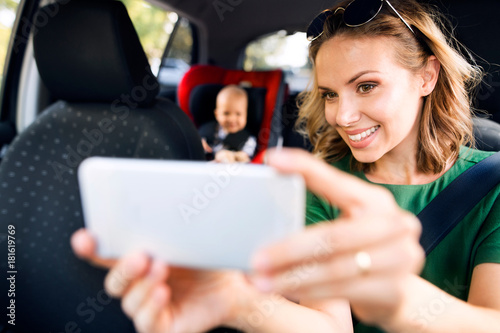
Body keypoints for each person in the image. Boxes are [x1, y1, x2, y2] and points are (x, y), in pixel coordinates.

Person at [71, 0, 500, 332]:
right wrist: (236, 301)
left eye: (367, 86)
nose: (342, 116)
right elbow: (329, 326)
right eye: (330, 94)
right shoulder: (321, 186)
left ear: (427, 76)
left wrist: (399, 301)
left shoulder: (491, 184)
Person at [199, 84, 257, 163]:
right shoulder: (206, 131)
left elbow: (245, 157)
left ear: (246, 116)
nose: (232, 119)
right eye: (226, 113)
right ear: (217, 114)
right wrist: (201, 145)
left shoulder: (248, 140)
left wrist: (233, 156)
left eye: (238, 114)